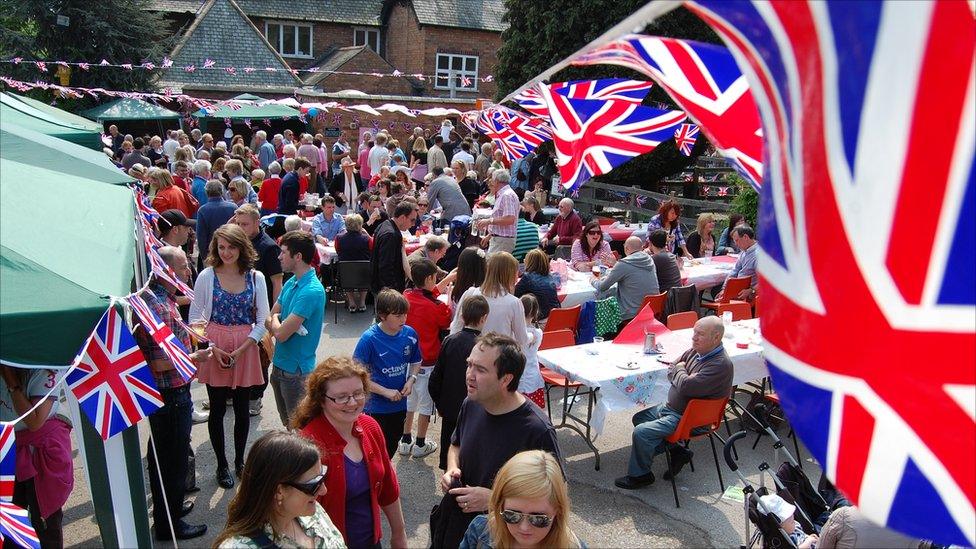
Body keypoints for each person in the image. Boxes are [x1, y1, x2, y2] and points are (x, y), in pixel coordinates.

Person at [431, 333, 563, 548]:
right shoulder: (471, 403)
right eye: (469, 365)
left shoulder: (537, 429)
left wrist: (493, 500)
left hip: (501, 536)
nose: (469, 375)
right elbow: (455, 445)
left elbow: (556, 498)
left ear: (506, 379)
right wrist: (452, 469)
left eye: (480, 370)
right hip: (455, 524)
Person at [131, 246, 210, 541]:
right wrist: (196, 358)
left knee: (162, 455)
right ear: (167, 271)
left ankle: (169, 509)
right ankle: (169, 525)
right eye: (184, 266)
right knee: (172, 461)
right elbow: (160, 360)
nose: (189, 271)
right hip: (171, 393)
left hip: (168, 393)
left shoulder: (157, 298)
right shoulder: (159, 307)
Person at [293, 358, 408, 548]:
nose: (352, 402)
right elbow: (299, 514)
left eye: (358, 393)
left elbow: (388, 486)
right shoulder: (308, 444)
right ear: (321, 400)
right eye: (342, 397)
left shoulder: (370, 426)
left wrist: (399, 533)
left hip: (371, 542)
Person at [189, 225, 270, 489]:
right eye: (221, 247)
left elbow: (262, 318)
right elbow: (196, 318)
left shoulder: (255, 277)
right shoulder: (206, 276)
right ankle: (222, 463)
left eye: (231, 247)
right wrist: (212, 346)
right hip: (216, 346)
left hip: (245, 346)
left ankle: (239, 461)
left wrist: (246, 346)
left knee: (243, 408)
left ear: (241, 247)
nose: (226, 252)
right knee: (217, 407)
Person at [614, 316, 733, 489]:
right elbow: (672, 367)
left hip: (690, 419)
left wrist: (680, 371)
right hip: (673, 409)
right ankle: (677, 451)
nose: (694, 337)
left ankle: (641, 476)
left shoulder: (719, 364)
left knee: (642, 433)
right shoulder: (698, 350)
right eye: (694, 332)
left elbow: (686, 386)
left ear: (716, 337)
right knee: (639, 418)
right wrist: (680, 372)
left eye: (700, 334)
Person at [213, 431, 345, 548]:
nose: (324, 490)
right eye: (313, 484)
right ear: (279, 491)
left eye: (322, 477)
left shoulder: (313, 513)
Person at [460, 450, 585, 549]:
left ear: (558, 511)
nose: (524, 527)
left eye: (538, 519)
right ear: (500, 506)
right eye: (512, 515)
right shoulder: (480, 531)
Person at [265, 231, 326, 427]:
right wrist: (276, 320)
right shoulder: (292, 282)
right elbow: (270, 319)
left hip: (296, 373)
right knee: (289, 425)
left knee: (301, 430)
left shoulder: (311, 290)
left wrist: (275, 319)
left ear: (297, 256)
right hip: (280, 367)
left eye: (283, 252)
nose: (279, 257)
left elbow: (281, 333)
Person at [353, 289, 423, 458]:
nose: (404, 319)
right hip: (375, 408)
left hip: (399, 406)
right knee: (374, 453)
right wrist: (385, 391)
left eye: (405, 314)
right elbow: (356, 377)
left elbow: (416, 361)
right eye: (398, 315)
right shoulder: (368, 339)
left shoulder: (410, 334)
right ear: (383, 316)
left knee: (390, 448)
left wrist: (411, 379)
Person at [233, 204, 284, 417]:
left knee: (260, 355)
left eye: (244, 224)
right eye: (238, 223)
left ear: (257, 222)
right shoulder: (237, 242)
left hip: (259, 311)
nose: (240, 227)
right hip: (237, 310)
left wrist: (273, 316)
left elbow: (277, 283)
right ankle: (235, 391)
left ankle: (256, 397)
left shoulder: (268, 247)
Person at [429, 295, 488, 470]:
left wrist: (440, 404)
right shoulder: (484, 347)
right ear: (484, 318)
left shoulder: (449, 341)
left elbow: (435, 379)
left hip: (449, 409)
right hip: (476, 410)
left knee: (450, 451)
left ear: (462, 316)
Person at [400, 259, 452, 459]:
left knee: (408, 401)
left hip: (407, 359)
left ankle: (405, 440)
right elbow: (445, 321)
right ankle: (420, 442)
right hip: (428, 360)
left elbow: (426, 295)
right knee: (425, 404)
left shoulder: (405, 297)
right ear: (430, 278)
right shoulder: (437, 307)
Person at [450, 252, 528, 350]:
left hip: (472, 354)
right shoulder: (514, 303)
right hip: (498, 358)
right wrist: (532, 336)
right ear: (510, 274)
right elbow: (522, 339)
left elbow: (456, 326)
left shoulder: (470, 293)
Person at [592, 236, 660, 322]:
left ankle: (602, 334)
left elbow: (602, 287)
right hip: (652, 309)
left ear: (626, 248)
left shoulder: (624, 264)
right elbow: (632, 271)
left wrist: (593, 279)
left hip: (631, 313)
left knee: (598, 304)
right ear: (642, 247)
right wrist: (615, 264)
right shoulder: (649, 259)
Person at [370, 201, 418, 294]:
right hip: (388, 291)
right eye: (412, 220)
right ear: (402, 217)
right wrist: (393, 292)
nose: (413, 224)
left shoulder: (385, 225)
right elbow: (386, 266)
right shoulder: (391, 235)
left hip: (382, 287)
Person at [195, 179, 238, 270]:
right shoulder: (233, 207)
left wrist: (204, 256)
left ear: (207, 192)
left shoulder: (203, 210)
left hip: (212, 252)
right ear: (222, 191)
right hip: (232, 250)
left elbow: (201, 236)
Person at [475, 170, 520, 255]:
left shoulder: (506, 195)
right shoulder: (504, 194)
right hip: (500, 239)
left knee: (493, 267)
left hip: (503, 240)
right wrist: (490, 235)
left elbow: (510, 219)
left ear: (496, 181)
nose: (490, 181)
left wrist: (489, 221)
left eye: (491, 178)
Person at [335, 213, 372, 313]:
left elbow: (337, 250)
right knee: (364, 272)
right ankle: (362, 302)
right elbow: (373, 247)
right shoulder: (366, 239)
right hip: (363, 273)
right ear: (360, 225)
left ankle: (351, 302)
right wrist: (367, 234)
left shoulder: (339, 238)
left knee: (347, 272)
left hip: (345, 273)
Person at [513, 249, 560, 321]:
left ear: (529, 262)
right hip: (555, 316)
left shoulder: (528, 277)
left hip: (540, 319)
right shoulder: (550, 276)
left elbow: (514, 295)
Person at [718, 225, 759, 302]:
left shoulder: (758, 255)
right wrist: (724, 289)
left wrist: (751, 290)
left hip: (749, 296)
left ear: (745, 237)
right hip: (738, 292)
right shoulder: (743, 252)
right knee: (717, 290)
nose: (736, 244)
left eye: (737, 240)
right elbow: (734, 271)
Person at [518, 295, 545, 408]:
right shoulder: (538, 333)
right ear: (535, 313)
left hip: (518, 376)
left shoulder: (513, 332)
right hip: (533, 374)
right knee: (534, 411)